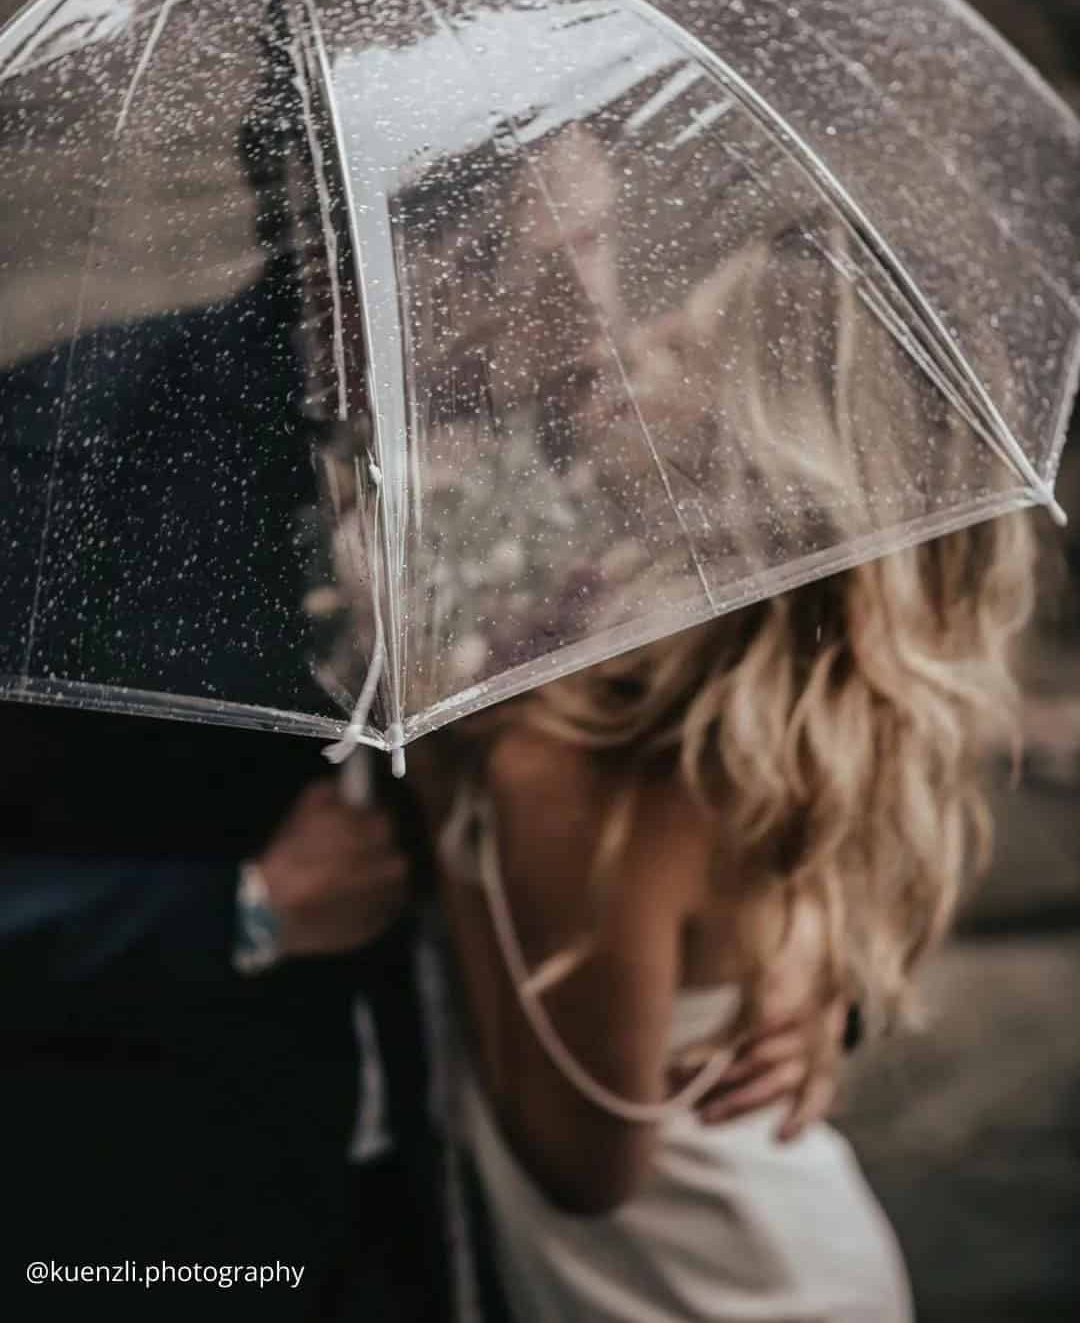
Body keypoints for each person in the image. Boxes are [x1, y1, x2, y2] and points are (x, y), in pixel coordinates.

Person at [404, 213, 1037, 1323]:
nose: (628, 340)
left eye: (684, 348)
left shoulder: (584, 766)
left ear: (756, 449)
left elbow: (586, 1171)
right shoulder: (787, 702)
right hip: (801, 1259)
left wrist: (452, 793)